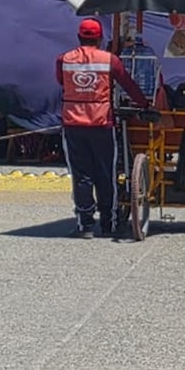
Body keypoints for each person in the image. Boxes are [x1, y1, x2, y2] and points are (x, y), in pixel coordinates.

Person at [57, 18, 150, 239]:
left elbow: (61, 81)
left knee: (81, 176)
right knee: (106, 173)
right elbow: (128, 84)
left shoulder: (63, 59)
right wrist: (145, 105)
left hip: (73, 124)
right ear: (99, 39)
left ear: (79, 37)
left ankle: (85, 224)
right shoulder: (110, 60)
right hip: (102, 124)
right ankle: (109, 222)